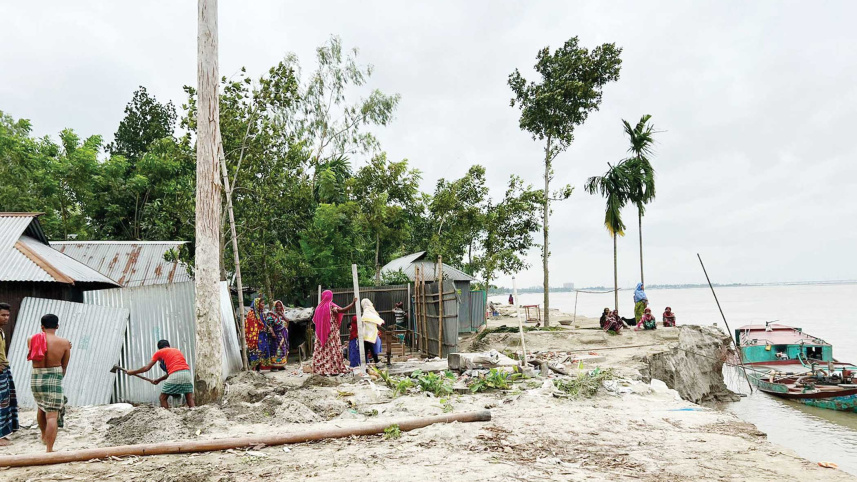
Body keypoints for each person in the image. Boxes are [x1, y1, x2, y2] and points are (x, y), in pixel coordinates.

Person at [28, 314, 70, 453]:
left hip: (36, 377)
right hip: (53, 377)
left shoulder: (31, 339)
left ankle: (44, 435)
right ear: (57, 326)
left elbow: (33, 353)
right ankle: (49, 449)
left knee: (41, 407)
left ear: (42, 326)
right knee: (52, 415)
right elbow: (64, 366)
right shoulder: (64, 342)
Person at [128, 340, 195, 409]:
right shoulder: (176, 351)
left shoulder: (159, 352)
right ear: (168, 346)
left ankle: (166, 416)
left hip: (175, 374)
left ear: (159, 348)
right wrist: (158, 380)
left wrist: (132, 372)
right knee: (189, 398)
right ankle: (194, 412)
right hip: (187, 373)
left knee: (162, 398)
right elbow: (170, 373)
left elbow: (146, 368)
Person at [312, 291, 356, 376]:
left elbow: (315, 321)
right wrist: (352, 304)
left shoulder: (318, 308)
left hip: (320, 334)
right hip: (331, 334)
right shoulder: (330, 306)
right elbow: (342, 310)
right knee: (332, 350)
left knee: (322, 351)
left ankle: (320, 369)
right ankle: (333, 369)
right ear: (330, 297)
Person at [0, 303, 18, 446]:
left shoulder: (2, 332)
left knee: (5, 402)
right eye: (3, 315)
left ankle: (3, 433)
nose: (6, 318)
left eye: (7, 315)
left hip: (4, 368)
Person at [245, 297, 272, 371]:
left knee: (263, 351)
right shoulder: (251, 314)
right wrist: (259, 330)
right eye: (262, 303)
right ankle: (255, 368)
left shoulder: (262, 313)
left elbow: (264, 323)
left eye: (263, 303)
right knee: (256, 352)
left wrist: (266, 328)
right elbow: (250, 326)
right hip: (255, 337)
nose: (263, 305)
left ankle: (260, 368)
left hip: (263, 336)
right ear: (257, 304)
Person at [361, 299, 385, 365]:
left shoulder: (367, 311)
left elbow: (367, 318)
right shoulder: (370, 310)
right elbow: (375, 317)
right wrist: (379, 321)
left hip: (367, 332)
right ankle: (374, 361)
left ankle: (367, 362)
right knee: (371, 347)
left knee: (368, 347)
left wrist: (379, 321)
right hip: (371, 332)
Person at [268, 301, 290, 370]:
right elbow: (269, 325)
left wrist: (282, 315)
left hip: (282, 335)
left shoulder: (283, 314)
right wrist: (272, 333)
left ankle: (281, 365)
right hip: (275, 335)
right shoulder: (271, 314)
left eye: (280, 306)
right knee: (275, 350)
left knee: (283, 349)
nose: (278, 307)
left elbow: (287, 321)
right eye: (277, 306)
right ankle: (274, 366)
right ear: (274, 306)